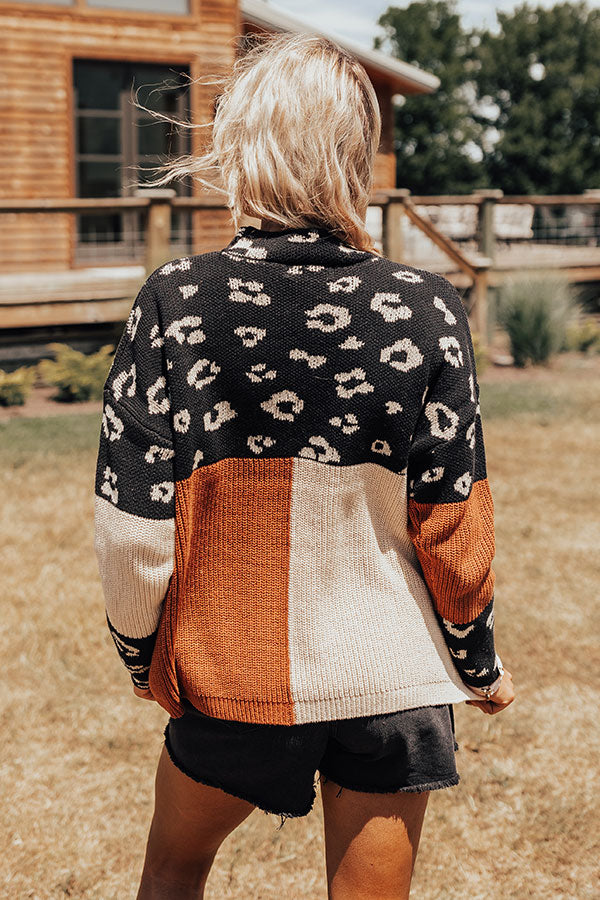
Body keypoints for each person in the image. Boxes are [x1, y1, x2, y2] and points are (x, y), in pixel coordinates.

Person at [93, 31, 515, 900]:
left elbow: (133, 531)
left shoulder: (176, 300)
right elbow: (454, 522)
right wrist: (476, 663)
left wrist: (145, 657)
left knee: (172, 872)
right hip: (390, 681)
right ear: (356, 153)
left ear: (240, 146)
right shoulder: (429, 309)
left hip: (230, 673)